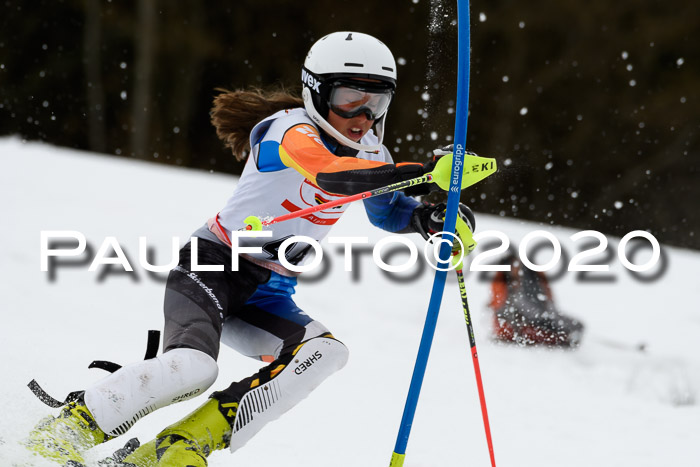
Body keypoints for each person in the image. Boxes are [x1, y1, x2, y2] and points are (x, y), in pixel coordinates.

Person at [26, 31, 477, 467]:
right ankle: (66, 430)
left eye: (376, 102)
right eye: (349, 99)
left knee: (324, 353)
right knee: (193, 368)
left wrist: (429, 219)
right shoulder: (289, 130)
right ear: (315, 93)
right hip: (212, 264)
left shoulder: (372, 153)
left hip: (268, 291)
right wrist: (426, 170)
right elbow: (332, 176)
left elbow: (387, 212)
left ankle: (178, 447)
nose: (363, 115)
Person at [489, 252, 584, 347]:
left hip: (535, 316)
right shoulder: (505, 281)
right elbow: (501, 306)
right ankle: (562, 337)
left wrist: (546, 316)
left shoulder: (530, 276)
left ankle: (563, 336)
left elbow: (546, 300)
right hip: (517, 322)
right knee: (564, 329)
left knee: (576, 325)